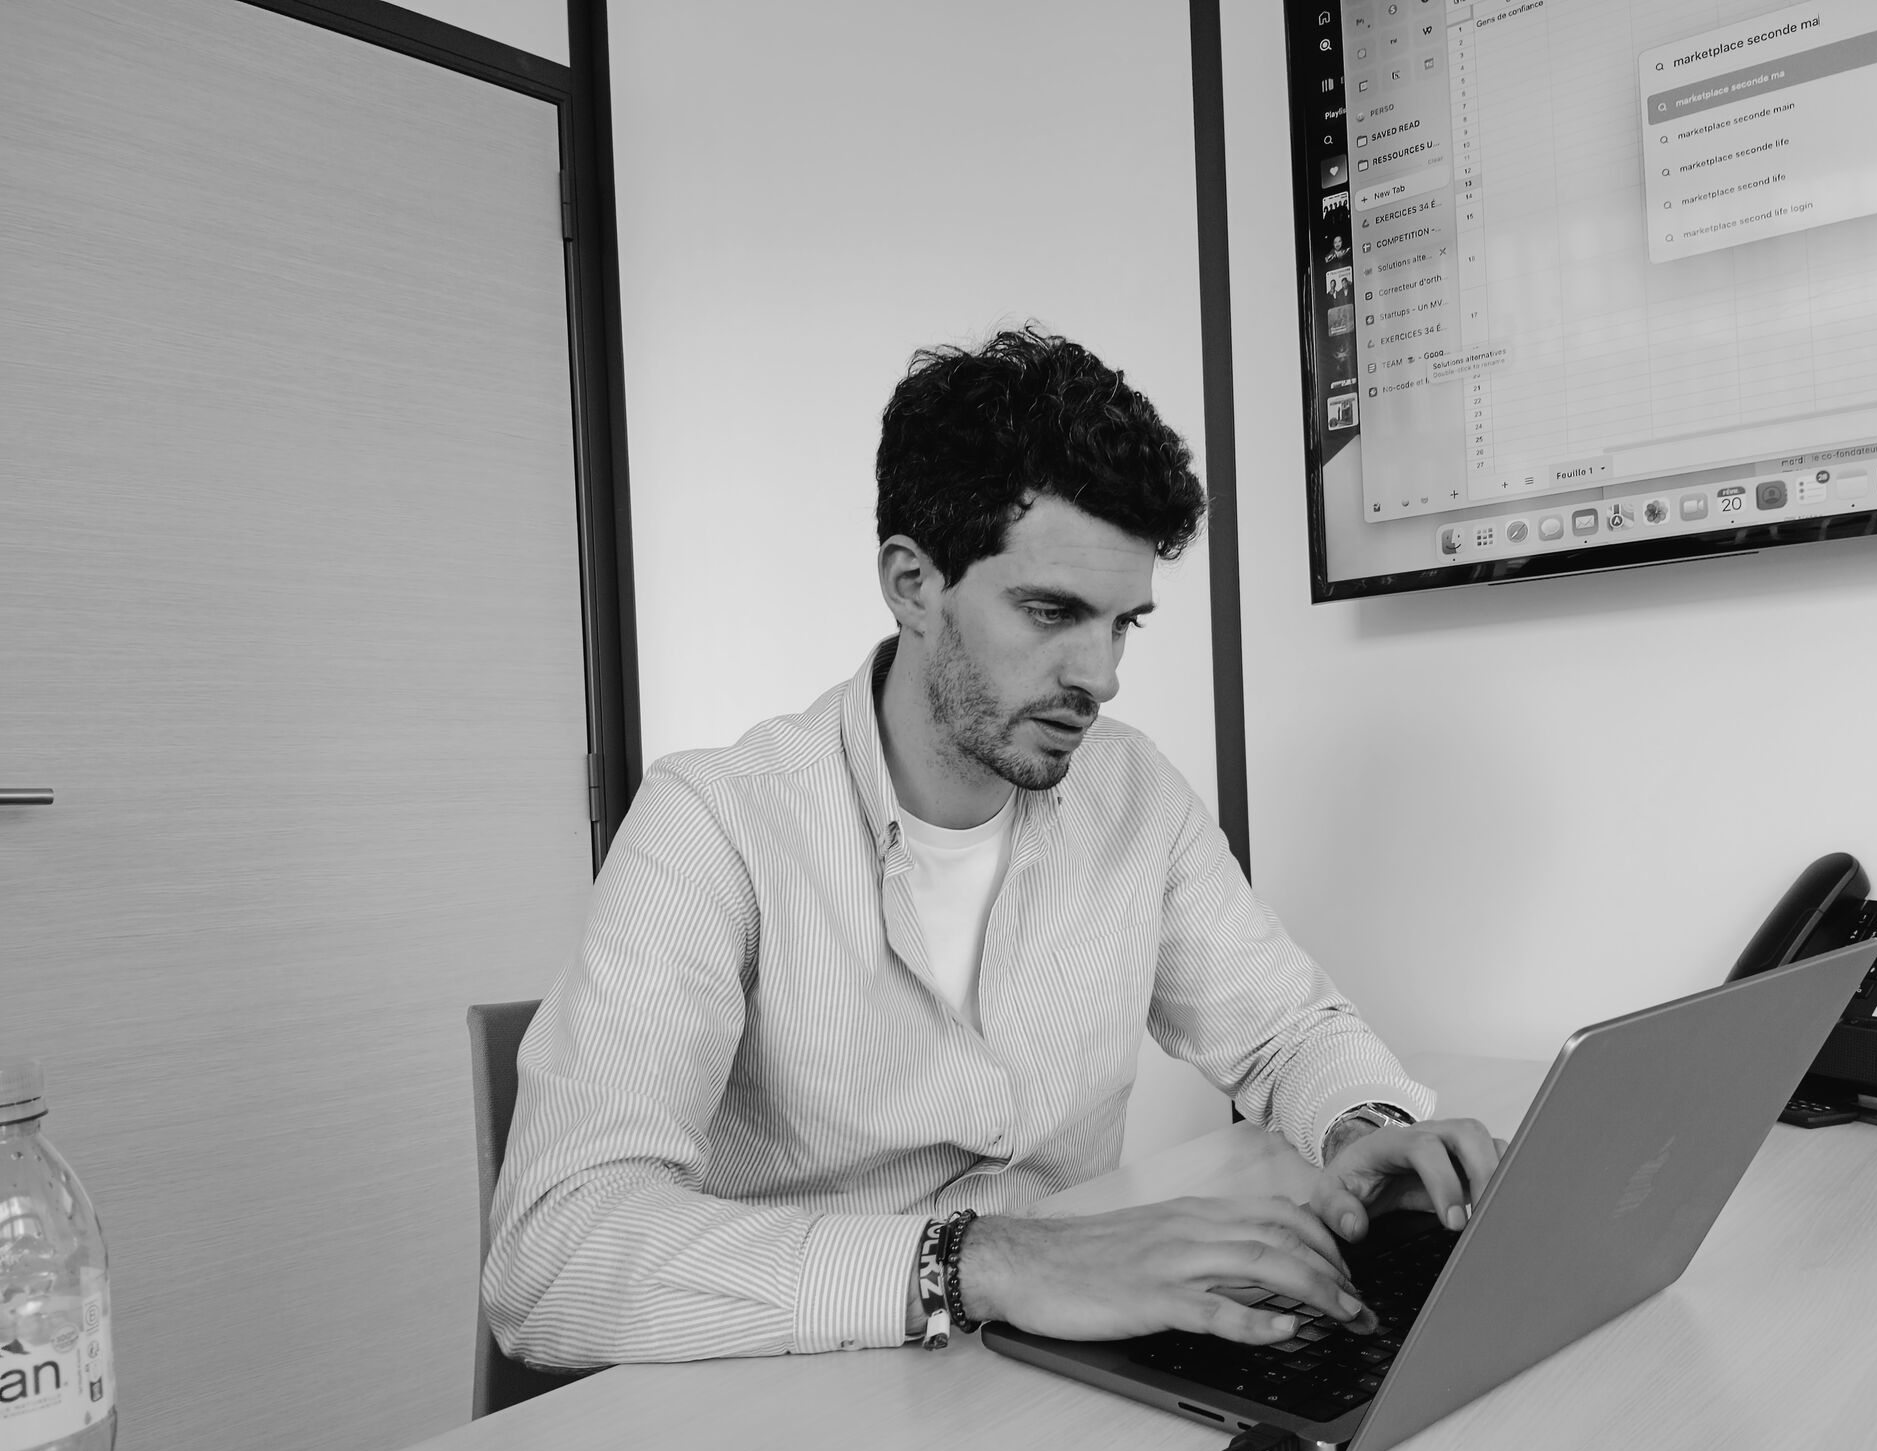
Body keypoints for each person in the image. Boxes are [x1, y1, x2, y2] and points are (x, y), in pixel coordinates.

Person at [484, 328, 1501, 1368]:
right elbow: (553, 1260)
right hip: (799, 1385)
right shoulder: (712, 824)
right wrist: (984, 1262)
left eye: (1123, 624)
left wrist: (1362, 1122)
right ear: (912, 583)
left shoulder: (1132, 792)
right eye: (1051, 612)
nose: (1099, 676)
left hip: (1049, 1377)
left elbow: (1283, 1032)